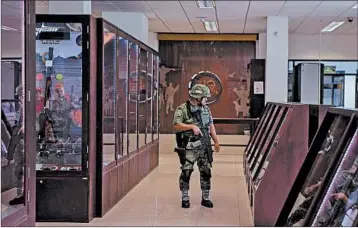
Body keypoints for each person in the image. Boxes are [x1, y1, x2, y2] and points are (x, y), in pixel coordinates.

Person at [173, 84, 220, 209]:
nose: (206, 100)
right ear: (197, 97)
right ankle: (185, 197)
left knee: (206, 172)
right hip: (189, 147)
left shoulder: (206, 109)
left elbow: (211, 126)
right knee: (186, 172)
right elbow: (176, 126)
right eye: (204, 97)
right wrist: (191, 126)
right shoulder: (182, 109)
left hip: (204, 146)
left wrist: (216, 141)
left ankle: (205, 198)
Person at [9, 84, 25, 205]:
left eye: (22, 95)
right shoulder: (20, 108)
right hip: (19, 142)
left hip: (27, 142)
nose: (20, 98)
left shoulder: (32, 108)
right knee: (18, 168)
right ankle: (20, 194)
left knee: (24, 168)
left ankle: (25, 194)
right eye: (19, 95)